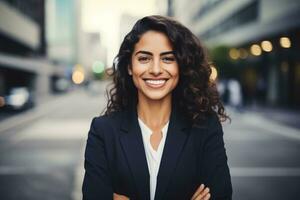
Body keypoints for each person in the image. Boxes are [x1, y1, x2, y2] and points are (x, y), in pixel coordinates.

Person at [82, 15, 232, 200]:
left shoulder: (205, 127)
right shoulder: (103, 131)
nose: (155, 69)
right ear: (129, 66)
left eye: (168, 59)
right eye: (144, 58)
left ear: (181, 66)